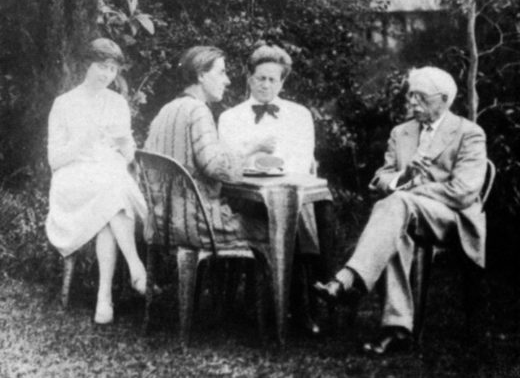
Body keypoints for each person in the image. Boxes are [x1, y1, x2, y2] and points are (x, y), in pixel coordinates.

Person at [313, 67, 488, 356]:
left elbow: (464, 191)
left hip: (451, 218)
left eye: (421, 98)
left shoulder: (469, 133)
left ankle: (346, 280)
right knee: (396, 224)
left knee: (396, 204)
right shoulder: (401, 132)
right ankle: (396, 329)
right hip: (405, 215)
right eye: (411, 96)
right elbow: (381, 178)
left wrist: (411, 190)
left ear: (443, 99)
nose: (413, 103)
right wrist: (402, 178)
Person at [218, 44, 322, 334]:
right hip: (245, 199)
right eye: (260, 77)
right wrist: (256, 160)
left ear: (282, 82)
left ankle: (295, 307)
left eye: (272, 79)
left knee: (296, 207)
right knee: (296, 214)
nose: (265, 85)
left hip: (288, 189)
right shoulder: (230, 117)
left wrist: (276, 164)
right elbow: (227, 161)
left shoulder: (299, 114)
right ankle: (299, 306)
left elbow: (303, 159)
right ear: (249, 78)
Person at [45, 38, 148, 325]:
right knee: (112, 191)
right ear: (86, 65)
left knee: (110, 200)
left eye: (113, 69)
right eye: (101, 66)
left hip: (108, 178)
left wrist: (125, 142)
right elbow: (55, 161)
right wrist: (83, 139)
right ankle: (134, 264)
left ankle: (104, 297)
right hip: (73, 180)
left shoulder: (117, 103)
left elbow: (128, 157)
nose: (107, 74)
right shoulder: (64, 104)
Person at [144, 45, 273, 247]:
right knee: (275, 229)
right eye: (221, 72)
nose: (227, 80)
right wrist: (252, 148)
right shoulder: (198, 110)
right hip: (198, 224)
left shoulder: (165, 111)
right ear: (201, 75)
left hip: (161, 224)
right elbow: (215, 167)